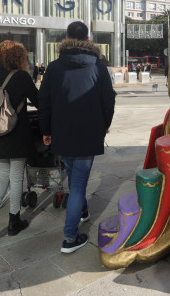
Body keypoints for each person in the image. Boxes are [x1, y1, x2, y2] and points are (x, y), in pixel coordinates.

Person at [39, 21, 116, 254]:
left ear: (66, 38)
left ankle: (82, 212)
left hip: (62, 132)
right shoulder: (97, 66)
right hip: (88, 131)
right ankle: (70, 238)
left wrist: (46, 130)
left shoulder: (53, 67)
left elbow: (44, 102)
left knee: (74, 177)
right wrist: (104, 125)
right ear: (88, 39)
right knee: (79, 183)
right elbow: (108, 100)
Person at [0, 40, 39, 239]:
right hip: (16, 134)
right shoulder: (22, 76)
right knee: (16, 177)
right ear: (19, 57)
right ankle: (14, 221)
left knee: (3, 176)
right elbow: (38, 100)